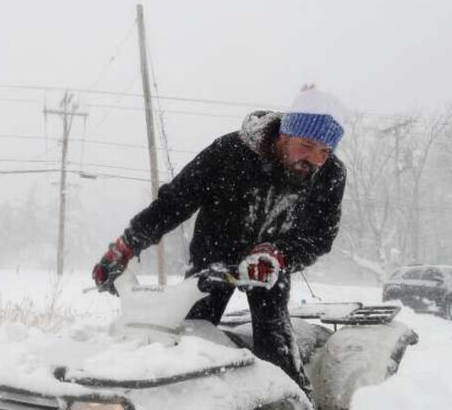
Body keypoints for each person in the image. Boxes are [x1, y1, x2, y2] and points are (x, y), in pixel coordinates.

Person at [91, 87, 347, 394]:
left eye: (324, 152)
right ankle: (183, 406)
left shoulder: (330, 175)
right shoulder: (230, 152)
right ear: (284, 135)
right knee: (191, 340)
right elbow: (175, 202)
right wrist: (125, 247)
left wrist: (280, 255)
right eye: (307, 146)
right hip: (212, 262)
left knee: (275, 346)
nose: (315, 160)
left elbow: (320, 236)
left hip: (268, 268)